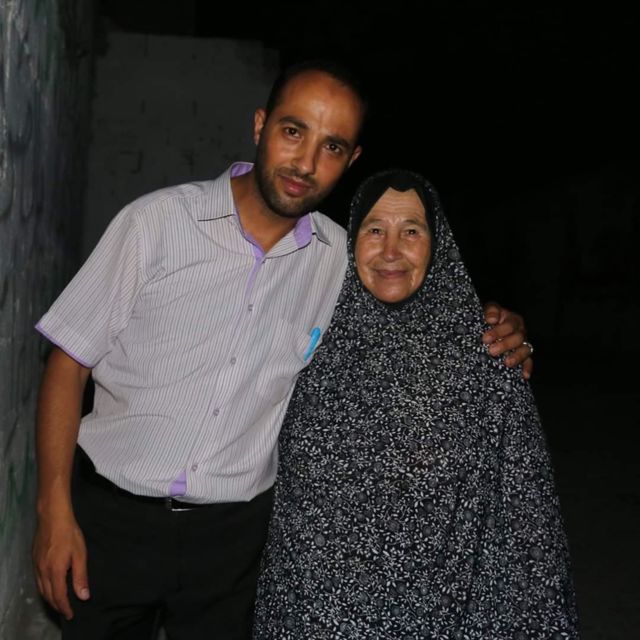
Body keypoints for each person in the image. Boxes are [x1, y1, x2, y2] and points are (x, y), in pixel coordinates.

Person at [32, 61, 533, 639]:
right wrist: (53, 511)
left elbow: (410, 304)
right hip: (111, 521)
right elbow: (68, 361)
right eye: (294, 131)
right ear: (260, 124)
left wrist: (496, 327)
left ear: (351, 159)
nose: (305, 163)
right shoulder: (156, 223)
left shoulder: (338, 260)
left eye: (332, 146)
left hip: (234, 544)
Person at [253, 169, 578, 639]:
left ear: (437, 243)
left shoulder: (486, 356)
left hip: (434, 620)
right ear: (351, 241)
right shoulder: (306, 336)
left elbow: (528, 523)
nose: (391, 251)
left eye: (411, 231)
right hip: (309, 615)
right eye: (374, 230)